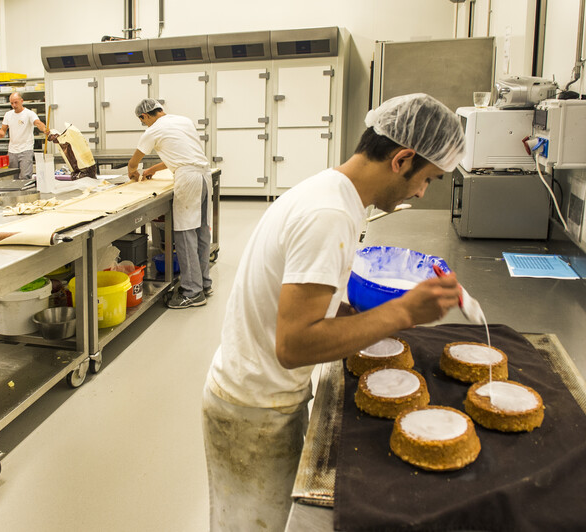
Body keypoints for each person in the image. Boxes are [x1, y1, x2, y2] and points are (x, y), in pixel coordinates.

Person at [202, 93, 466, 531]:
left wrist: (359, 311)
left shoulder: (331, 191)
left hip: (258, 395)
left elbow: (307, 302)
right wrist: (402, 311)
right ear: (402, 159)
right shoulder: (329, 214)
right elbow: (294, 344)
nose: (421, 192)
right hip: (251, 410)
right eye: (429, 179)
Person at [127, 99, 212, 309]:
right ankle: (204, 283)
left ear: (144, 116)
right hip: (203, 175)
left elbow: (134, 161)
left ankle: (192, 292)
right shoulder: (184, 121)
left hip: (188, 179)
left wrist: (133, 171)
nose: (145, 125)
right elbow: (180, 154)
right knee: (201, 231)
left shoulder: (153, 129)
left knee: (184, 234)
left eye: (143, 121)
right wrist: (152, 170)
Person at [0, 92, 47, 180]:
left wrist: (44, 128)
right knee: (13, 177)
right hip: (12, 151)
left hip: (26, 149)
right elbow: (3, 129)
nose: (14, 105)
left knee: (25, 177)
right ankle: (15, 194)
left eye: (16, 102)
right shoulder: (8, 114)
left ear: (21, 101)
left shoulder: (29, 114)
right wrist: (1, 133)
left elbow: (37, 123)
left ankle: (26, 193)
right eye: (12, 103)